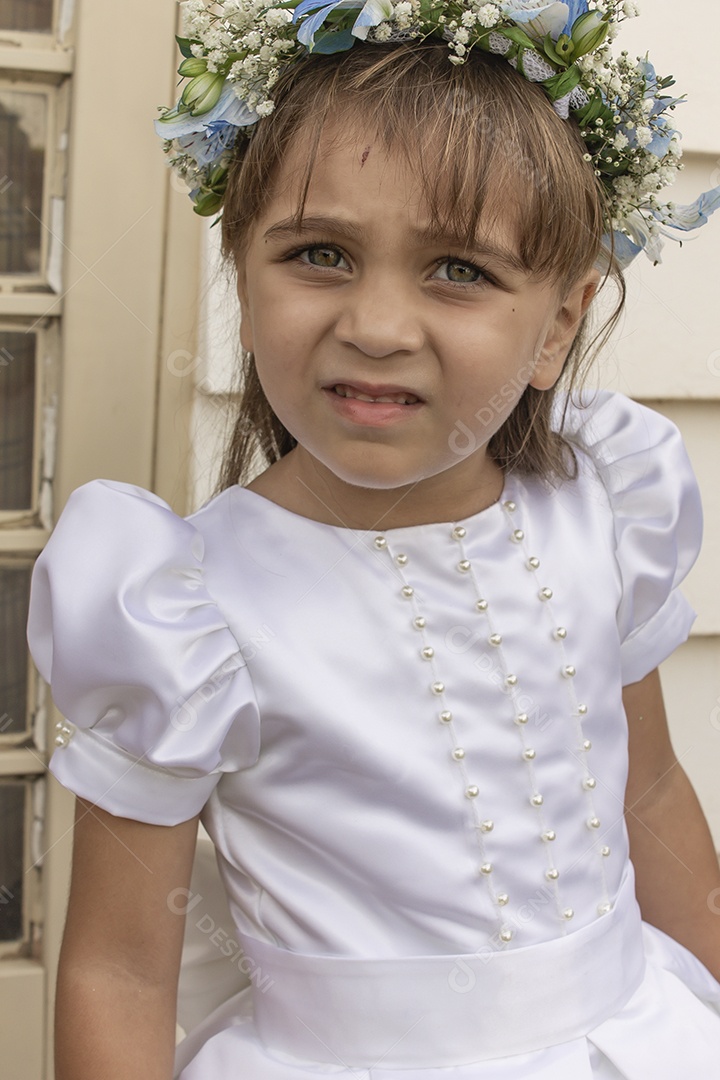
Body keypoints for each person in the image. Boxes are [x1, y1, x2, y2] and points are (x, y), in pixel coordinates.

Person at [26, 2, 720, 1077]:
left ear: (558, 326)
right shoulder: (178, 609)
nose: (379, 326)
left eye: (460, 270)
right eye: (319, 253)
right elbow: (118, 969)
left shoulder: (604, 513)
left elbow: (653, 797)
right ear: (243, 285)